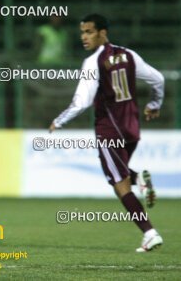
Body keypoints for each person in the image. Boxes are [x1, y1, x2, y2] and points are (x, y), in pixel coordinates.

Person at [49, 14, 165, 252]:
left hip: (109, 130)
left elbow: (82, 102)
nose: (84, 37)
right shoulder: (129, 56)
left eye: (89, 32)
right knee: (120, 176)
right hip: (131, 128)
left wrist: (58, 121)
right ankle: (139, 179)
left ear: (103, 33)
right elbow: (158, 79)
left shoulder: (93, 63)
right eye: (82, 32)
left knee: (119, 184)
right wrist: (154, 104)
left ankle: (150, 233)